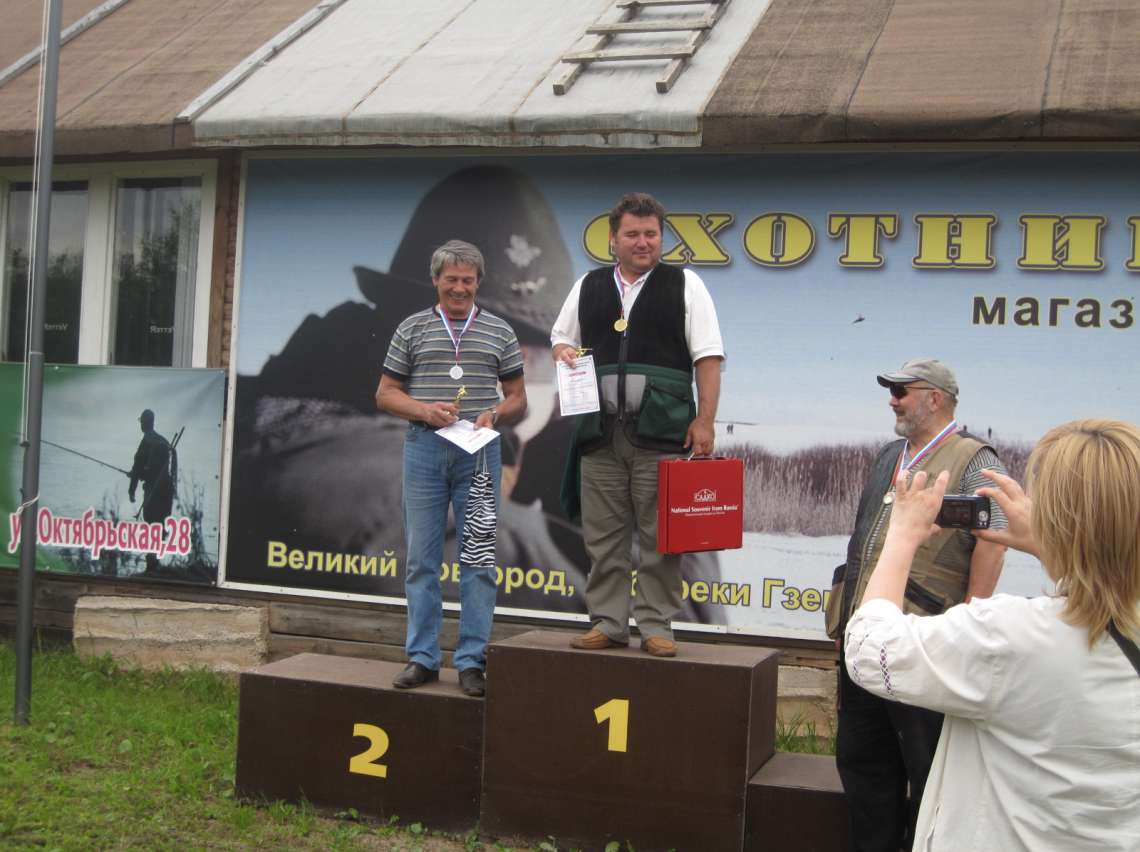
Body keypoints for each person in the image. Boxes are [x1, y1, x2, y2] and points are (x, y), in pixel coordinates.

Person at [845, 418, 1140, 850]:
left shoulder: (1009, 636)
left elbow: (867, 649)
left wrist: (902, 536)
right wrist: (1053, 547)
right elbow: (1102, 589)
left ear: (1056, 521)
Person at [824, 358, 1008, 852]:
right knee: (863, 767)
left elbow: (993, 540)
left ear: (936, 398)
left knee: (929, 774)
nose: (893, 399)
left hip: (926, 644)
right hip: (866, 643)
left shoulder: (975, 458)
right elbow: (862, 542)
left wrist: (971, 618)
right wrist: (846, 624)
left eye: (902, 391)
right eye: (891, 390)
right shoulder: (888, 455)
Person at [551, 192, 725, 658]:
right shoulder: (588, 285)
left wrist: (705, 420)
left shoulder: (686, 284)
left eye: (651, 234)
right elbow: (561, 338)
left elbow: (708, 357)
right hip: (599, 434)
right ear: (613, 239)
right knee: (602, 538)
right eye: (632, 234)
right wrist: (563, 351)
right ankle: (608, 623)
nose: (643, 242)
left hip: (664, 432)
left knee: (661, 537)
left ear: (661, 238)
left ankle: (656, 625)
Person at [376, 239, 527, 698]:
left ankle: (471, 661)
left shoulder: (499, 330)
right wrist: (424, 410)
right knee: (421, 560)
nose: (459, 288)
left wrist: (496, 413)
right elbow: (385, 393)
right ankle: (422, 658)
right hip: (424, 449)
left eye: (467, 280)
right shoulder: (412, 328)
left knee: (478, 561)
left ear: (479, 283)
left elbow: (518, 398)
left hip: (478, 455)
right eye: (451, 279)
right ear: (436, 280)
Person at [127, 408, 173, 575]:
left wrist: (132, 490)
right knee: (160, 526)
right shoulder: (164, 441)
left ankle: (151, 565)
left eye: (141, 422)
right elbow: (166, 469)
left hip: (153, 492)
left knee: (151, 525)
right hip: (167, 491)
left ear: (144, 423)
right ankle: (155, 563)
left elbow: (138, 468)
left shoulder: (146, 442)